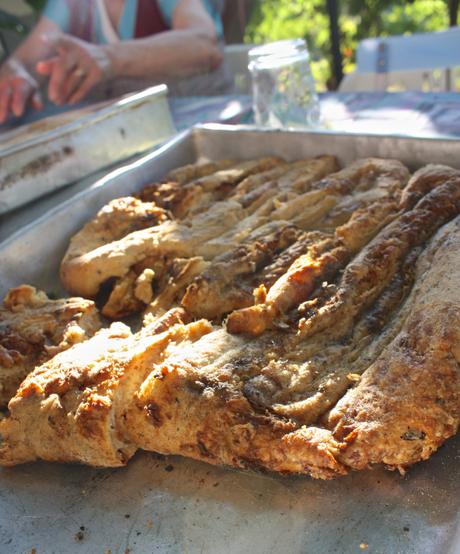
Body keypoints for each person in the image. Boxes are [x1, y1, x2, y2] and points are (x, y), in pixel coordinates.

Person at [0, 0, 232, 124]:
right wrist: (15, 75)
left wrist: (109, 57)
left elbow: (204, 45)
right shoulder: (73, 4)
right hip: (133, 139)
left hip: (205, 127)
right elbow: (27, 59)